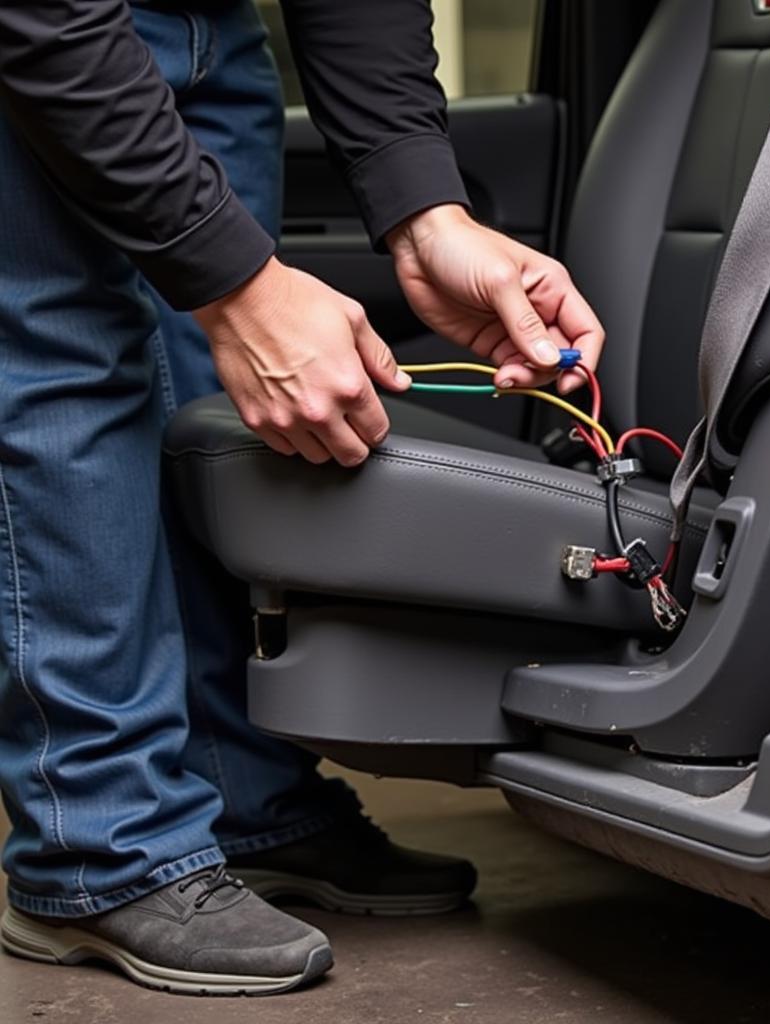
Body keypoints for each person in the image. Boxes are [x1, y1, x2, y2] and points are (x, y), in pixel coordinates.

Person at [0, 0, 604, 996]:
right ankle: (96, 844)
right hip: (45, 34)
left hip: (210, 38)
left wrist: (425, 209)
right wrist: (235, 282)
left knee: (212, 393)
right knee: (70, 383)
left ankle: (240, 794)